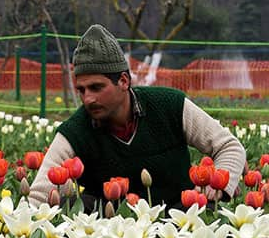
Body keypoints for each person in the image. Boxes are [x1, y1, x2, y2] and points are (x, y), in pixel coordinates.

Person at [28, 24, 246, 209]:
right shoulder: (76, 130)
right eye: (82, 90)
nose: (88, 99)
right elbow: (38, 196)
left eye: (96, 87)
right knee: (81, 202)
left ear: (123, 81)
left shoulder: (169, 106)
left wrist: (218, 186)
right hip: (112, 235)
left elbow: (229, 146)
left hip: (179, 224)